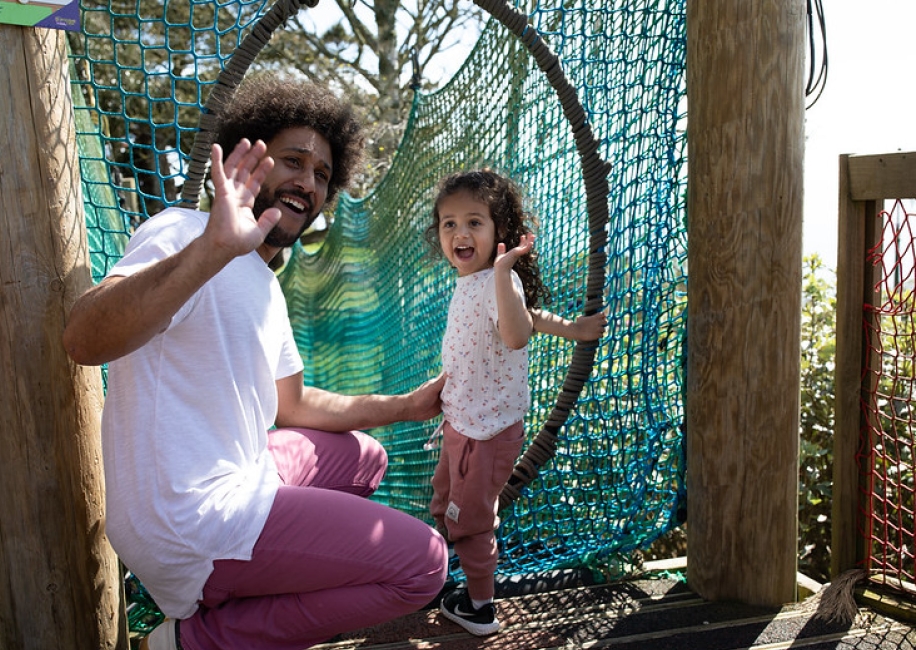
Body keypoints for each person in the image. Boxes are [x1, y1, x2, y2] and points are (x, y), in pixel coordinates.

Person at [62, 75, 449, 650]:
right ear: (253, 158)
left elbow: (291, 405)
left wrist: (404, 406)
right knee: (425, 566)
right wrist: (211, 250)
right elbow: (84, 340)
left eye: (322, 174)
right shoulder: (185, 231)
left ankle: (262, 581)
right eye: (293, 161)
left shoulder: (267, 286)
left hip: (241, 475)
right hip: (189, 517)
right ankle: (193, 640)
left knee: (365, 459)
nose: (308, 182)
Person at [422, 169, 606, 637]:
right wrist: (573, 328)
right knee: (445, 504)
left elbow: (517, 331)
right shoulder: (471, 282)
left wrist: (505, 272)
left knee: (473, 520)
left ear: (499, 231)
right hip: (460, 423)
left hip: (485, 433)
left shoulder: (498, 280)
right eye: (449, 224)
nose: (460, 233)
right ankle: (444, 577)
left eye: (474, 223)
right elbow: (530, 320)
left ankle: (481, 606)